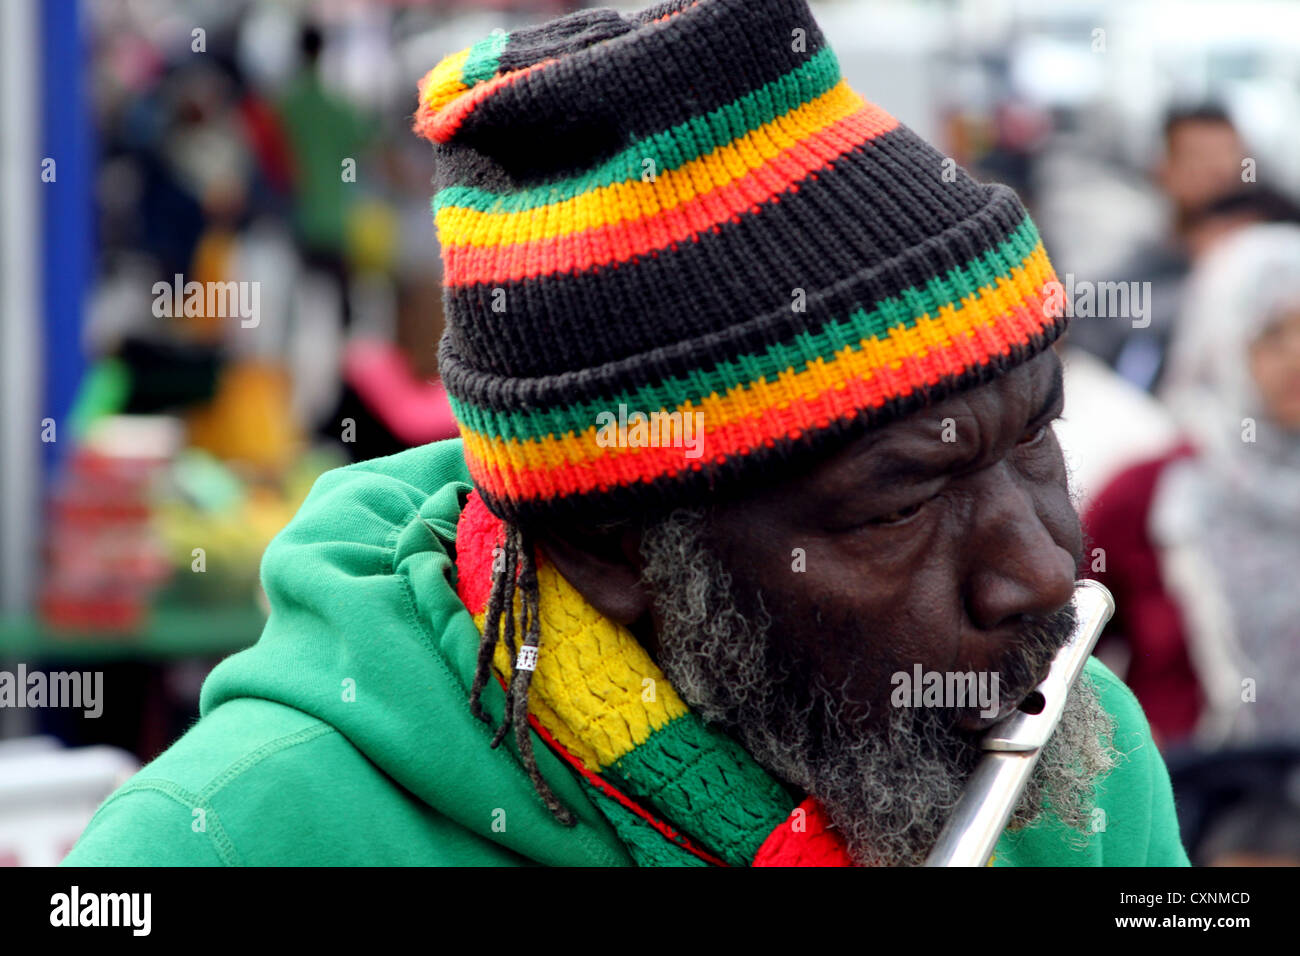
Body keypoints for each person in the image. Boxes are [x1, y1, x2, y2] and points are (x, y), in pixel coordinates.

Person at [63, 0, 1187, 867]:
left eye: (1034, 438)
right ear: (610, 546)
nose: (1043, 569)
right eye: (899, 502)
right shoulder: (229, 839)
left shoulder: (1081, 767)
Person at [1085, 224, 1300, 748]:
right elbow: (1061, 655)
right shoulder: (1153, 494)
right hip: (1191, 807)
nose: (1297, 357)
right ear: (1220, 342)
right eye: (1271, 334)